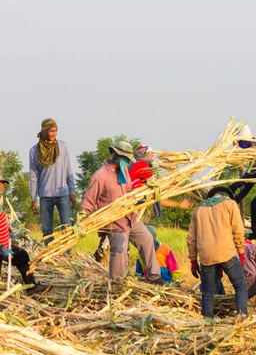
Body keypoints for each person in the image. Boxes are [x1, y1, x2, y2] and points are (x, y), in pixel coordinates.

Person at [80, 141, 164, 285]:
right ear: (118, 157)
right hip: (114, 221)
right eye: (125, 159)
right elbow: (89, 199)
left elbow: (129, 189)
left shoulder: (123, 171)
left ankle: (154, 276)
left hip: (130, 216)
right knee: (120, 249)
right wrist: (81, 218)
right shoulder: (100, 176)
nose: (127, 163)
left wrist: (139, 197)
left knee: (147, 239)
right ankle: (117, 282)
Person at [187, 186, 248, 318]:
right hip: (227, 253)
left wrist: (193, 260)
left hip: (206, 256)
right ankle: (242, 316)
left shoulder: (198, 209)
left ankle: (207, 321)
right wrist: (241, 252)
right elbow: (238, 230)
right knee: (240, 285)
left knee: (207, 292)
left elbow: (191, 238)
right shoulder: (230, 204)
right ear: (226, 195)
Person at [29, 118, 76, 244]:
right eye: (51, 131)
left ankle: (67, 257)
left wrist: (72, 192)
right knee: (47, 230)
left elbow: (68, 170)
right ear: (44, 131)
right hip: (45, 195)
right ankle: (50, 258)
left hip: (63, 194)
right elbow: (33, 176)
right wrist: (33, 198)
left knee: (67, 228)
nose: (54, 134)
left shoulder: (63, 146)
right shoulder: (34, 151)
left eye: (56, 131)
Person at [0, 173, 47, 294]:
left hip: (5, 244)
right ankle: (31, 287)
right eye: (0, 184)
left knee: (22, 256)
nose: (2, 187)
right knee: (22, 256)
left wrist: (9, 232)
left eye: (3, 184)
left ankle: (31, 286)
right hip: (1, 246)